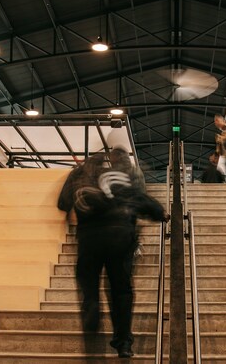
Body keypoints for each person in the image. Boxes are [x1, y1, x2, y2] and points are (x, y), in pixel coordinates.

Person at [60, 146, 168, 359]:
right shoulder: (120, 177)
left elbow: (62, 203)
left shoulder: (80, 175)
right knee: (121, 291)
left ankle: (92, 314)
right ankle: (123, 342)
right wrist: (160, 213)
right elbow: (140, 199)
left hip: (89, 239)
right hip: (120, 237)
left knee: (89, 286)